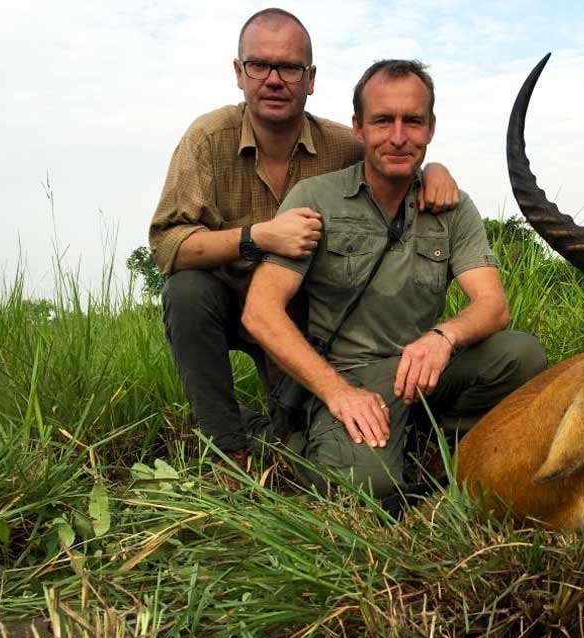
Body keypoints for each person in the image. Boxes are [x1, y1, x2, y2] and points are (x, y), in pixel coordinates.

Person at [148, 9, 460, 464]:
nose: (274, 79)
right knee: (186, 292)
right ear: (239, 73)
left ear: (310, 79)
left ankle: (288, 427)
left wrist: (435, 170)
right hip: (229, 300)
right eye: (259, 65)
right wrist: (259, 237)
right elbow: (167, 245)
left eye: (290, 68)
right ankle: (228, 450)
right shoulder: (206, 140)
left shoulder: (341, 145)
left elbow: (395, 152)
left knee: (293, 425)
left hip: (306, 309)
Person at [242, 59, 548, 498]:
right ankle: (307, 440)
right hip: (351, 376)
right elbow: (260, 312)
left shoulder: (453, 206)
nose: (400, 137)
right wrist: (337, 392)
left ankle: (420, 438)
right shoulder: (316, 197)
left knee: (522, 354)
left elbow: (493, 306)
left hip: (424, 371)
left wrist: (442, 338)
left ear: (431, 128)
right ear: (358, 128)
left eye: (413, 121)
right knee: (367, 489)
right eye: (384, 121)